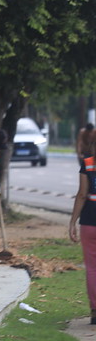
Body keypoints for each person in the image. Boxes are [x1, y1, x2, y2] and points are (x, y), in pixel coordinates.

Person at [69, 135, 96, 324]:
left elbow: (81, 195)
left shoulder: (87, 163)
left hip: (89, 221)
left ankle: (95, 311)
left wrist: (72, 222)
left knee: (92, 269)